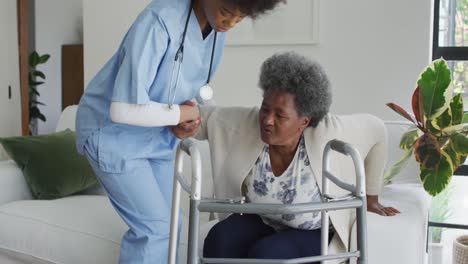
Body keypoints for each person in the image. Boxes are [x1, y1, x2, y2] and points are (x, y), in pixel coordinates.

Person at [75, 0, 285, 263]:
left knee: (175, 226)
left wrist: (189, 115)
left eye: (239, 19)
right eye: (226, 13)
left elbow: (185, 84)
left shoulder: (215, 30)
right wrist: (181, 114)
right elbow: (122, 109)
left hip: (156, 137)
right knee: (155, 231)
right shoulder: (159, 22)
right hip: (112, 135)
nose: (229, 24)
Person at [172, 52, 400, 262]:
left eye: (280, 115)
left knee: (269, 254)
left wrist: (371, 198)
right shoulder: (248, 123)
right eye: (265, 108)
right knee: (220, 239)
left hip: (314, 231)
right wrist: (180, 122)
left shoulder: (329, 130)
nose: (267, 120)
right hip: (264, 219)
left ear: (304, 121)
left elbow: (377, 129)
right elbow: (204, 118)